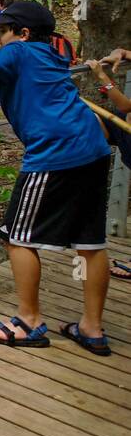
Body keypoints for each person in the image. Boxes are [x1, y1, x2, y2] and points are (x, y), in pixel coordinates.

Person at [0, 2, 114, 356]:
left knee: (17, 237)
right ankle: (92, 328)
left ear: (21, 34)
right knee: (90, 243)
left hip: (55, 154)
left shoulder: (19, 51)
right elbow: (6, 54)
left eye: (1, 30)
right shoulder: (48, 52)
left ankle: (29, 321)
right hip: (93, 147)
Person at [88, 48, 131, 282]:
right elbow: (122, 51)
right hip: (122, 128)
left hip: (128, 129)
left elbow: (125, 106)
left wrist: (102, 78)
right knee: (92, 119)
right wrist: (120, 53)